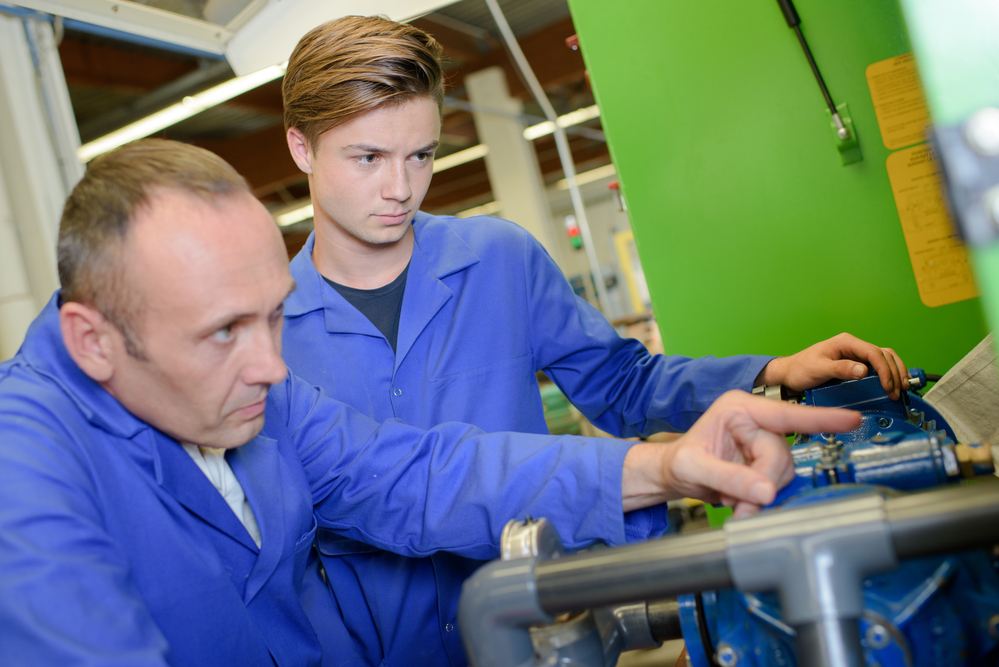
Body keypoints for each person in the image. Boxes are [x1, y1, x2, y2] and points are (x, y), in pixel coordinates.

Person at [0, 139, 861, 666]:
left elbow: (415, 470)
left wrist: (663, 463)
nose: (271, 363)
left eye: (274, 314)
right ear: (92, 342)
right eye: (225, 331)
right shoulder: (26, 472)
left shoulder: (251, 387)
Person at [280, 15, 909, 667]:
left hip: (538, 633)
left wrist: (769, 371)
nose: (400, 188)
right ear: (302, 149)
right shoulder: (265, 332)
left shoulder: (500, 259)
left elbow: (621, 384)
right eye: (368, 157)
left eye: (421, 155)